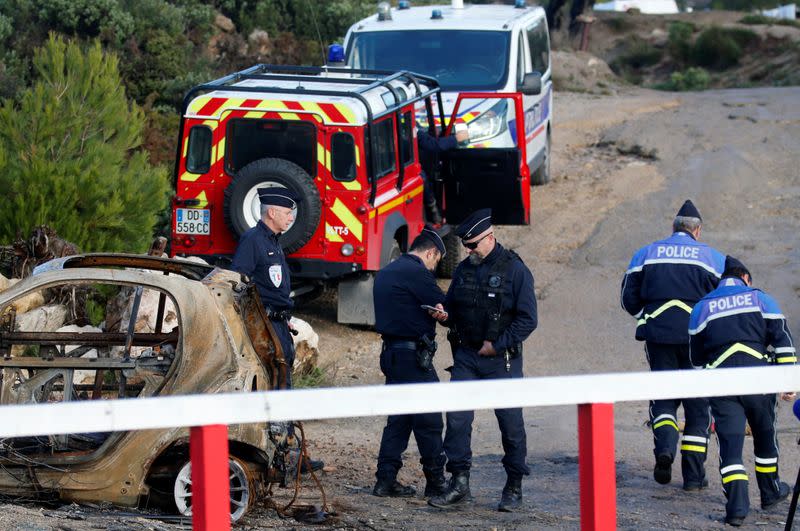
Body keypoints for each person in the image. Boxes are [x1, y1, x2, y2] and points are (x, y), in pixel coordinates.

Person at [428, 208, 537, 512]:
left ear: (490, 237)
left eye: (474, 244)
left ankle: (514, 486)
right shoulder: (464, 270)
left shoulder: (515, 270)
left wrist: (497, 344)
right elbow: (453, 310)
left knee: (511, 425)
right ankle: (459, 482)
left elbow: (528, 320)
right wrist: (443, 315)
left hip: (500, 360)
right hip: (467, 357)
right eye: (466, 245)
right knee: (458, 419)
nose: (469, 250)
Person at [620, 199, 725, 490]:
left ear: (673, 227)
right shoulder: (714, 259)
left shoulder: (645, 254)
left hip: (659, 339)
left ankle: (665, 450)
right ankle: (693, 478)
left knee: (664, 399)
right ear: (698, 231)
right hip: (698, 343)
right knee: (698, 408)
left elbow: (628, 299)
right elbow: (723, 304)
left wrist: (650, 317)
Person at [688, 256, 796, 527]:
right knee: (764, 436)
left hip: (723, 385)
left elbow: (697, 357)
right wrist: (789, 382)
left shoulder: (702, 307)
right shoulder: (760, 299)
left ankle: (736, 508)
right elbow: (782, 341)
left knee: (731, 446)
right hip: (759, 382)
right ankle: (770, 492)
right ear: (746, 278)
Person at [230, 186, 323, 472]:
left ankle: (289, 453)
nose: (290, 218)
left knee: (284, 383)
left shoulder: (273, 240)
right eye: (286, 213)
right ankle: (281, 457)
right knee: (276, 383)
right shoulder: (253, 241)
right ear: (271, 212)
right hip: (265, 326)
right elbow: (237, 284)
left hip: (279, 324)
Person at [371, 226, 450, 498]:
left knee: (400, 418)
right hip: (413, 357)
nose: (433, 267)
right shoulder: (417, 273)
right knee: (428, 418)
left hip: (391, 354)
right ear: (430, 253)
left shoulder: (387, 271)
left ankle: (385, 479)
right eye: (436, 261)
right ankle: (437, 482)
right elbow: (444, 305)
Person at [417, 126, 469, 224]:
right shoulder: (408, 125)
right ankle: (432, 207)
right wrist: (456, 138)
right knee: (421, 176)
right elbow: (433, 145)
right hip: (403, 170)